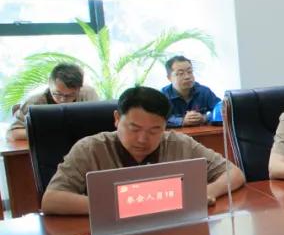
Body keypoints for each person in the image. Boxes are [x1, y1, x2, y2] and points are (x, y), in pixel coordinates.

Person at [41, 86, 245, 215]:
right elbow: (51, 200)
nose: (142, 139)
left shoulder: (180, 144)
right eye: (134, 128)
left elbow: (234, 173)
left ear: (165, 125)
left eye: (154, 130)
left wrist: (207, 191)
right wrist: (123, 206)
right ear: (116, 119)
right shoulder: (90, 149)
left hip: (169, 232)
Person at [6, 62, 100, 140]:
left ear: (79, 88)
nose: (63, 100)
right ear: (49, 83)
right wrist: (50, 132)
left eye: (70, 95)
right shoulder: (35, 102)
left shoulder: (88, 94)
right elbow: (12, 133)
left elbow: (99, 124)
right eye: (58, 94)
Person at [160, 55, 221, 128]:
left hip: (202, 133)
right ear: (169, 78)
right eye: (181, 73)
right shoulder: (162, 96)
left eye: (190, 72)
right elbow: (157, 118)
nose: (187, 77)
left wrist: (204, 118)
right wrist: (182, 121)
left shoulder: (204, 92)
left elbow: (222, 110)